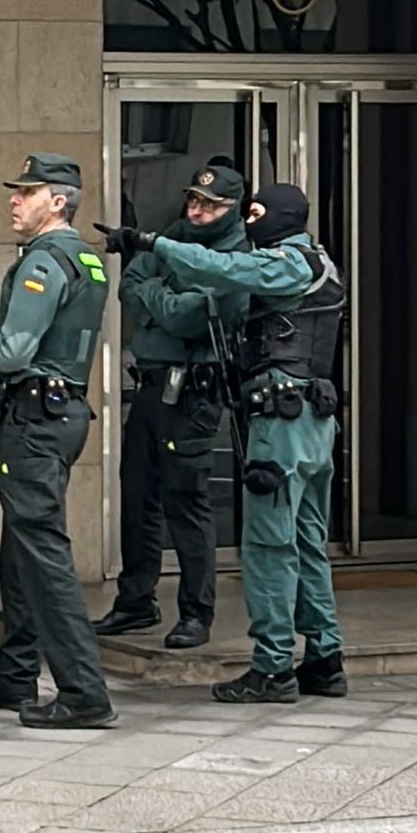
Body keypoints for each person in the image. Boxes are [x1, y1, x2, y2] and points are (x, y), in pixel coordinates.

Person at [128, 185, 347, 705]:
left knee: (270, 547)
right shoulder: (320, 263)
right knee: (307, 544)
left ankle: (273, 667)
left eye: (256, 213)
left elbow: (226, 271)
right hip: (309, 421)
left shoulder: (289, 263)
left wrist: (153, 244)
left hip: (284, 422)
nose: (251, 223)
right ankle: (323, 657)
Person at [0, 154, 116, 730]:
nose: (14, 200)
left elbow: (15, 350)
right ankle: (15, 675)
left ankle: (84, 692)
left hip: (36, 421)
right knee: (22, 543)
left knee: (41, 551)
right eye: (15, 191)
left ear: (58, 201)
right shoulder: (86, 257)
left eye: (28, 192)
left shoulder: (45, 258)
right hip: (60, 414)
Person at [94, 164, 248, 650]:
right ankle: (136, 601)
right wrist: (166, 298)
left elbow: (191, 318)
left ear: (231, 208)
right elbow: (129, 287)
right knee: (137, 494)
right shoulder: (170, 240)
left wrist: (158, 300)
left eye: (209, 205)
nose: (197, 211)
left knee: (187, 502)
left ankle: (195, 613)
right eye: (193, 201)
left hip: (195, 394)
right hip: (151, 386)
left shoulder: (236, 256)